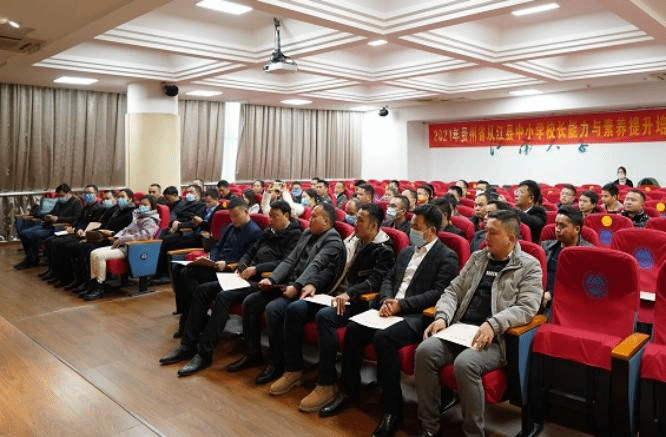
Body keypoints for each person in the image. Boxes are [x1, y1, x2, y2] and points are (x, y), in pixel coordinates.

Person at [320, 205, 459, 437]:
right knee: (354, 329)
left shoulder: (446, 256)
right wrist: (386, 300)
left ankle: (392, 410)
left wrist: (401, 305)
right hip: (389, 309)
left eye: (416, 226)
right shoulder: (407, 252)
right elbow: (388, 278)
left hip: (416, 315)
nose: (411, 229)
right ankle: (349, 392)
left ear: (432, 230)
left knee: (383, 339)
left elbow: (438, 293)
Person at [412, 210, 543, 437]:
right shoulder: (478, 258)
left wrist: (493, 324)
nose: (485, 237)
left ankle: (473, 433)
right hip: (460, 330)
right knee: (425, 351)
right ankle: (429, 427)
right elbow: (453, 291)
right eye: (485, 231)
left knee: (465, 364)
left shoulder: (529, 266)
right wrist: (442, 316)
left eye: (492, 233)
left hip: (495, 338)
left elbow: (527, 307)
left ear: (511, 238)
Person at [273, 204, 395, 413]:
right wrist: (314, 284)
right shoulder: (352, 241)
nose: (354, 223)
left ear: (374, 226)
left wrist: (350, 293)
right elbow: (332, 269)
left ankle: (326, 383)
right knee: (295, 309)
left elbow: (375, 281)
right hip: (331, 295)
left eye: (360, 220)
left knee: (325, 317)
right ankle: (293, 369)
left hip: (357, 302)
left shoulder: (384, 250)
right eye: (355, 219)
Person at [159, 200, 302, 376]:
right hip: (245, 275)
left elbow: (286, 262)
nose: (270, 220)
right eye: (270, 216)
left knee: (223, 296)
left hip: (265, 280)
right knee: (202, 290)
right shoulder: (269, 231)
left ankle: (204, 354)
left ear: (286, 216)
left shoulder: (295, 236)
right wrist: (242, 266)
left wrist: (256, 269)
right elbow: (250, 252)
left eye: (275, 217)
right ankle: (188, 345)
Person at [241, 203, 344, 387]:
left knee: (273, 309)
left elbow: (316, 266)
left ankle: (277, 363)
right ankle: (252, 354)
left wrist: (297, 285)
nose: (309, 219)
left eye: (314, 217)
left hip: (307, 290)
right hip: (287, 283)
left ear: (326, 221)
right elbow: (290, 260)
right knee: (251, 301)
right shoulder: (307, 233)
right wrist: (272, 279)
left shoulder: (333, 241)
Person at [169, 198, 264, 328]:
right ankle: (193, 317)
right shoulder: (231, 227)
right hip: (216, 264)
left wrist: (226, 263)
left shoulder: (256, 232)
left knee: (187, 274)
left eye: (236, 216)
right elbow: (217, 246)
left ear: (246, 212)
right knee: (178, 269)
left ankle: (192, 320)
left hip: (229, 269)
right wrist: (211, 259)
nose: (233, 219)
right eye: (231, 216)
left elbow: (248, 258)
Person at [84, 195, 162, 300]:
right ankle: (93, 283)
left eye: (145, 204)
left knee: (99, 256)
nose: (142, 206)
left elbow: (145, 235)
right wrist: (116, 236)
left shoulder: (151, 220)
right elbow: (126, 229)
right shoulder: (138, 216)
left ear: (152, 207)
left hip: (133, 248)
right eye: (141, 204)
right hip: (122, 244)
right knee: (93, 253)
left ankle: (99, 286)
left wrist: (123, 239)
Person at [66, 189, 136, 295]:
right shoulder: (117, 210)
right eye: (119, 197)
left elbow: (126, 231)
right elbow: (105, 225)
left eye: (123, 197)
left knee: (86, 250)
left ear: (130, 199)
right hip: (105, 237)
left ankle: (95, 285)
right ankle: (84, 282)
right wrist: (93, 234)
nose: (119, 199)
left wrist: (111, 234)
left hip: (115, 241)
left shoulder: (132, 213)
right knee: (79, 246)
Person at [153, 188, 223, 283]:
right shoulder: (206, 209)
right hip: (197, 234)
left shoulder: (219, 211)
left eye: (209, 202)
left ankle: (164, 274)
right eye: (206, 202)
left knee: (168, 243)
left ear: (216, 199)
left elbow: (212, 227)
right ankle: (158, 272)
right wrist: (194, 222)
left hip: (205, 239)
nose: (207, 204)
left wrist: (201, 223)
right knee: (164, 240)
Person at [41, 184, 104, 287]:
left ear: (96, 194)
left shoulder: (98, 209)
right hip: (78, 232)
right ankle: (56, 273)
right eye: (85, 193)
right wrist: (74, 228)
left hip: (87, 235)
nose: (87, 195)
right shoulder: (85, 207)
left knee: (65, 245)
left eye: (89, 193)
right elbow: (78, 221)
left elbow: (94, 225)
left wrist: (79, 230)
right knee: (51, 241)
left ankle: (74, 278)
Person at [15, 183, 83, 270]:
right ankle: (31, 257)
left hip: (60, 227)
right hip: (49, 225)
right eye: (58, 196)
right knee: (24, 233)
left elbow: (76, 218)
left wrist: (58, 219)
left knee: (33, 235)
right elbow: (52, 212)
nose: (60, 198)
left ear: (69, 193)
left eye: (62, 195)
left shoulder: (76, 203)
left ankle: (31, 260)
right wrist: (47, 216)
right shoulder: (59, 202)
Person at [540, 207, 593, 310]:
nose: (557, 229)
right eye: (556, 225)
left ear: (577, 229)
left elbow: (581, 284)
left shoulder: (588, 252)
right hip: (541, 297)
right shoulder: (546, 247)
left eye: (562, 226)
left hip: (570, 302)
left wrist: (551, 293)